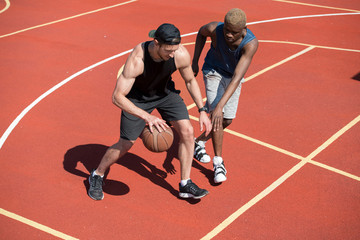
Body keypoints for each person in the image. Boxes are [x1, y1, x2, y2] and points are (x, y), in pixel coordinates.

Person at [88, 23, 212, 200]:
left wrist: (201, 110)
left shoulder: (179, 54)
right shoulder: (138, 59)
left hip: (164, 93)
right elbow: (117, 97)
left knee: (187, 131)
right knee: (125, 144)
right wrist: (147, 116)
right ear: (156, 43)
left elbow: (190, 81)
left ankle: (185, 184)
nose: (172, 54)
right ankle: (97, 174)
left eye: (175, 50)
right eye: (168, 50)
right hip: (137, 99)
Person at [192, 8, 258, 183]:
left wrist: (221, 106)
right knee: (216, 117)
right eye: (227, 30)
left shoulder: (250, 44)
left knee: (226, 119)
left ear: (244, 29)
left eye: (234, 32)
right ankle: (218, 163)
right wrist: (195, 61)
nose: (228, 35)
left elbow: (237, 77)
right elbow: (200, 32)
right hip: (212, 71)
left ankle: (196, 143)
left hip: (232, 77)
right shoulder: (215, 28)